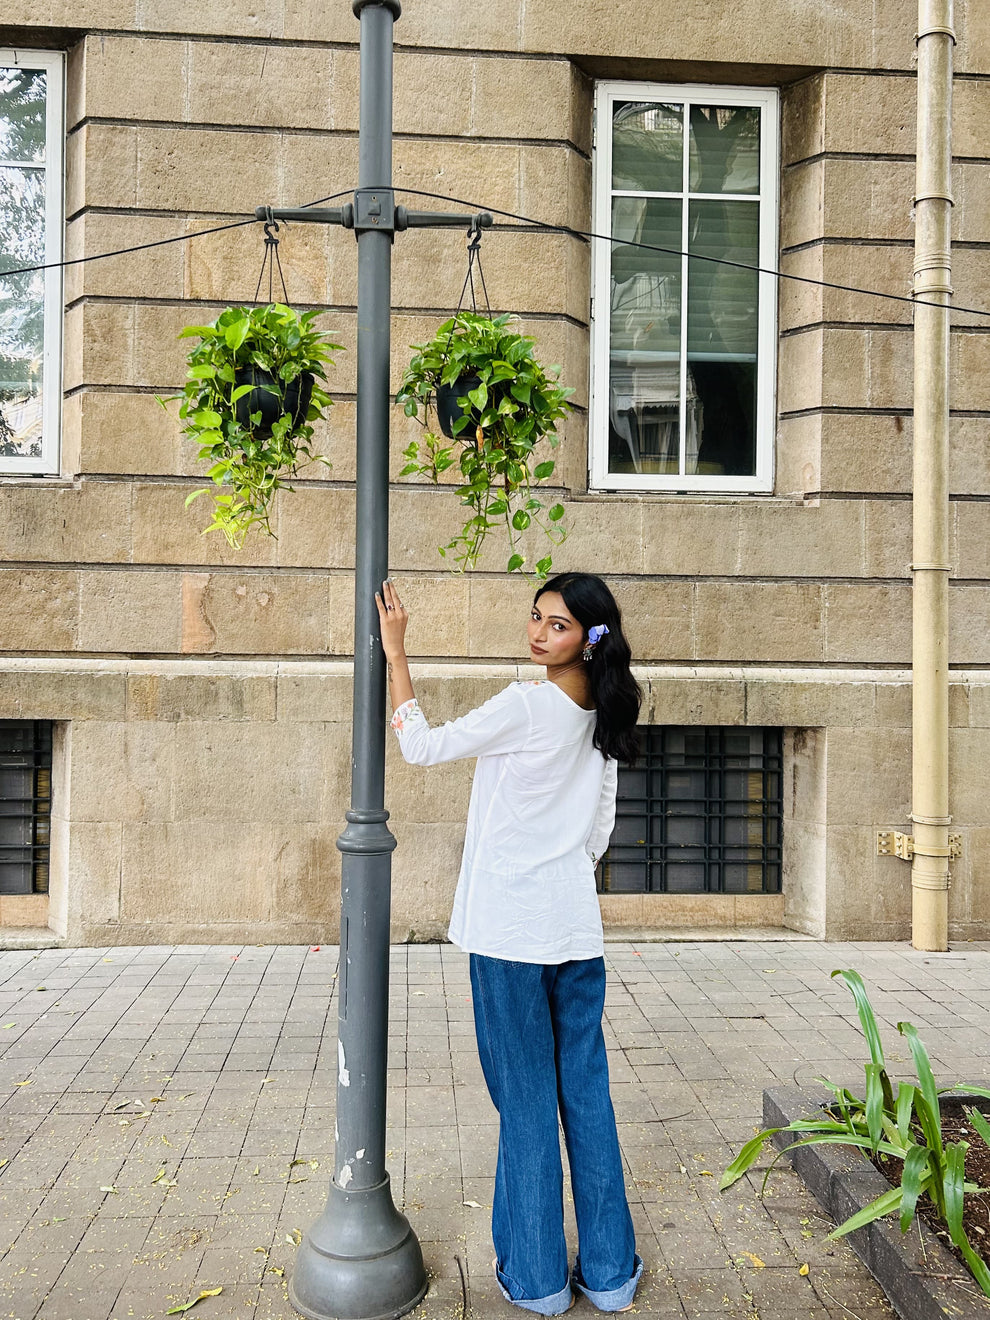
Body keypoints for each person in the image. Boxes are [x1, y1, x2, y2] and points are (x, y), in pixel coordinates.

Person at [375, 571, 644, 1316]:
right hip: (573, 930)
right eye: (535, 618)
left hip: (509, 931)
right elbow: (597, 832)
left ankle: (536, 1281)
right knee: (585, 1098)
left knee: (526, 1105)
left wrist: (398, 655)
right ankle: (612, 1277)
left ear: (588, 638)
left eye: (555, 625)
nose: (536, 633)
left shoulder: (528, 705)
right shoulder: (608, 712)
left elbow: (423, 748)